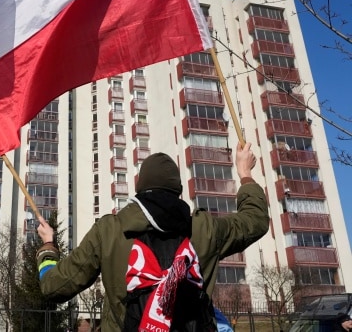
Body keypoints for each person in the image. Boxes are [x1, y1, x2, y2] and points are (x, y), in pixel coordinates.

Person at [36, 142, 269, 331]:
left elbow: (55, 287)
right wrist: (245, 173)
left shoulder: (109, 231)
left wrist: (48, 246)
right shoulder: (205, 229)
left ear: (140, 188)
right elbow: (255, 221)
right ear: (177, 189)